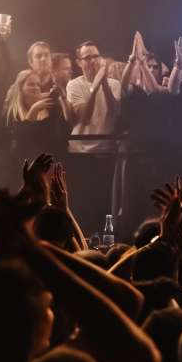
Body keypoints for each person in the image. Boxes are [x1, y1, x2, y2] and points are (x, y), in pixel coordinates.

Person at [66, 42, 123, 227]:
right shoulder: (74, 85)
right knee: (85, 202)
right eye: (87, 58)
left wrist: (104, 82)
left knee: (106, 202)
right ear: (79, 62)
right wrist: (95, 84)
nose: (92, 61)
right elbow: (83, 115)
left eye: (95, 56)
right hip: (82, 152)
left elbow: (116, 112)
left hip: (107, 151)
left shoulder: (114, 84)